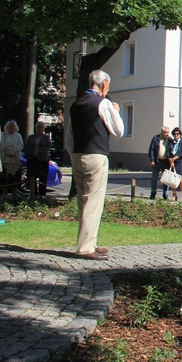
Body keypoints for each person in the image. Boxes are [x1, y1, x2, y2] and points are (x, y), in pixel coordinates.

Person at [65, 70, 124, 259]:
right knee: (94, 202)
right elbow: (119, 130)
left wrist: (74, 155)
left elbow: (69, 137)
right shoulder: (103, 103)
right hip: (96, 156)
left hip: (77, 155)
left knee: (84, 201)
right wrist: (115, 111)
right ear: (104, 83)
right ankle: (85, 248)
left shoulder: (76, 105)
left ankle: (90, 242)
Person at [24, 120, 52, 200]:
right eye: (38, 127)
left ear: (43, 128)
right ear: (35, 128)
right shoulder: (31, 137)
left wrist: (39, 152)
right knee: (32, 177)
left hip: (43, 159)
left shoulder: (46, 137)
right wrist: (32, 152)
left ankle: (42, 194)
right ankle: (33, 194)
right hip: (32, 159)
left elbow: (48, 147)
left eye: (41, 127)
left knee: (43, 177)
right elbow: (26, 147)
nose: (39, 128)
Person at [0, 119, 23, 202]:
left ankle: (14, 193)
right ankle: (4, 194)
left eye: (13, 126)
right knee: (4, 179)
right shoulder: (3, 135)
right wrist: (8, 151)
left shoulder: (18, 136)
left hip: (15, 159)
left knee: (15, 178)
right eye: (10, 126)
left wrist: (14, 151)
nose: (12, 127)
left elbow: (21, 145)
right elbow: (1, 145)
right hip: (5, 159)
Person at [148, 126, 171, 200]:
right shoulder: (156, 138)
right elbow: (151, 149)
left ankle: (165, 194)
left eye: (168, 132)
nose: (167, 134)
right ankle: (153, 193)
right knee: (154, 178)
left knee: (165, 179)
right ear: (162, 132)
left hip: (166, 161)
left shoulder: (170, 139)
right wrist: (152, 160)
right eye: (166, 133)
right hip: (157, 161)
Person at [166, 128, 182, 202]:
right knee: (172, 181)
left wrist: (173, 159)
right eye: (174, 134)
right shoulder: (172, 142)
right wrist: (170, 161)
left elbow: (181, 153)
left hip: (180, 163)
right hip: (172, 163)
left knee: (181, 180)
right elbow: (168, 153)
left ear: (180, 134)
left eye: (177, 133)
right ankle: (174, 196)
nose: (176, 135)